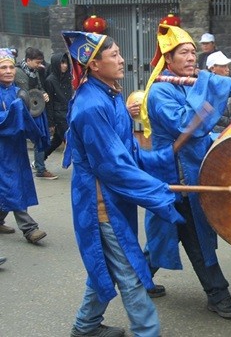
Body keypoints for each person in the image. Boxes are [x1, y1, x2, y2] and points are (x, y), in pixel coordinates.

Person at [61, 31, 185, 337]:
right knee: (129, 267)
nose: (121, 59)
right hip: (100, 202)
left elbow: (127, 152)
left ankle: (85, 326)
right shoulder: (91, 106)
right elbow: (113, 165)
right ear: (93, 64)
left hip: (114, 196)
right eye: (114, 55)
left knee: (106, 262)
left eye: (119, 53)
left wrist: (161, 159)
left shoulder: (110, 94)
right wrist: (158, 191)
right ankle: (147, 331)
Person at [140, 24, 231, 319]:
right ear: (168, 60)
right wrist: (208, 86)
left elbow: (204, 125)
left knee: (165, 233)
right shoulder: (160, 90)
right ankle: (218, 293)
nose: (190, 58)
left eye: (192, 52)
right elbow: (186, 125)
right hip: (174, 179)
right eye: (182, 53)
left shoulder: (189, 83)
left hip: (196, 173)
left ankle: (137, 278)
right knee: (194, 235)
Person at [0, 48, 47, 244]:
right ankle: (29, 228)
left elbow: (27, 118)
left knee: (11, 183)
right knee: (11, 184)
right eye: (3, 67)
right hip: (2, 149)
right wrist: (15, 110)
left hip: (17, 148)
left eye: (11, 66)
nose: (9, 71)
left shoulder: (17, 92)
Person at [15, 46, 57, 180]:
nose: (39, 65)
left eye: (40, 62)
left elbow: (39, 87)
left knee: (41, 137)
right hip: (21, 111)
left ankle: (40, 168)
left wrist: (44, 93)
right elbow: (23, 92)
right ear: (28, 60)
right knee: (18, 140)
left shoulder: (36, 71)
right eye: (37, 62)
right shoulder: (17, 71)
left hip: (36, 111)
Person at [43, 52, 72, 162]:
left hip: (68, 112)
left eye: (66, 63)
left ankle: (39, 159)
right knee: (70, 140)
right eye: (61, 63)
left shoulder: (68, 77)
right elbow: (49, 103)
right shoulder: (50, 80)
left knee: (56, 141)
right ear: (56, 64)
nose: (64, 66)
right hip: (58, 116)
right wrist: (51, 122)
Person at [206, 51, 231, 133]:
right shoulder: (208, 86)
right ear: (212, 68)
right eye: (223, 66)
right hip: (212, 132)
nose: (227, 69)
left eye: (227, 66)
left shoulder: (226, 85)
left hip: (224, 130)